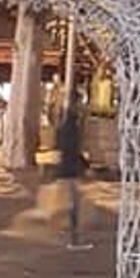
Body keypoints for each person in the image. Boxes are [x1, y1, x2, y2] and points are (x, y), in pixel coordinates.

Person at [55, 98, 91, 249]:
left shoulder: (63, 129)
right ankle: (73, 237)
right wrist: (83, 164)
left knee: (71, 204)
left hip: (64, 170)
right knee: (73, 205)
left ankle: (70, 234)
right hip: (71, 172)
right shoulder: (73, 131)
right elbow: (74, 150)